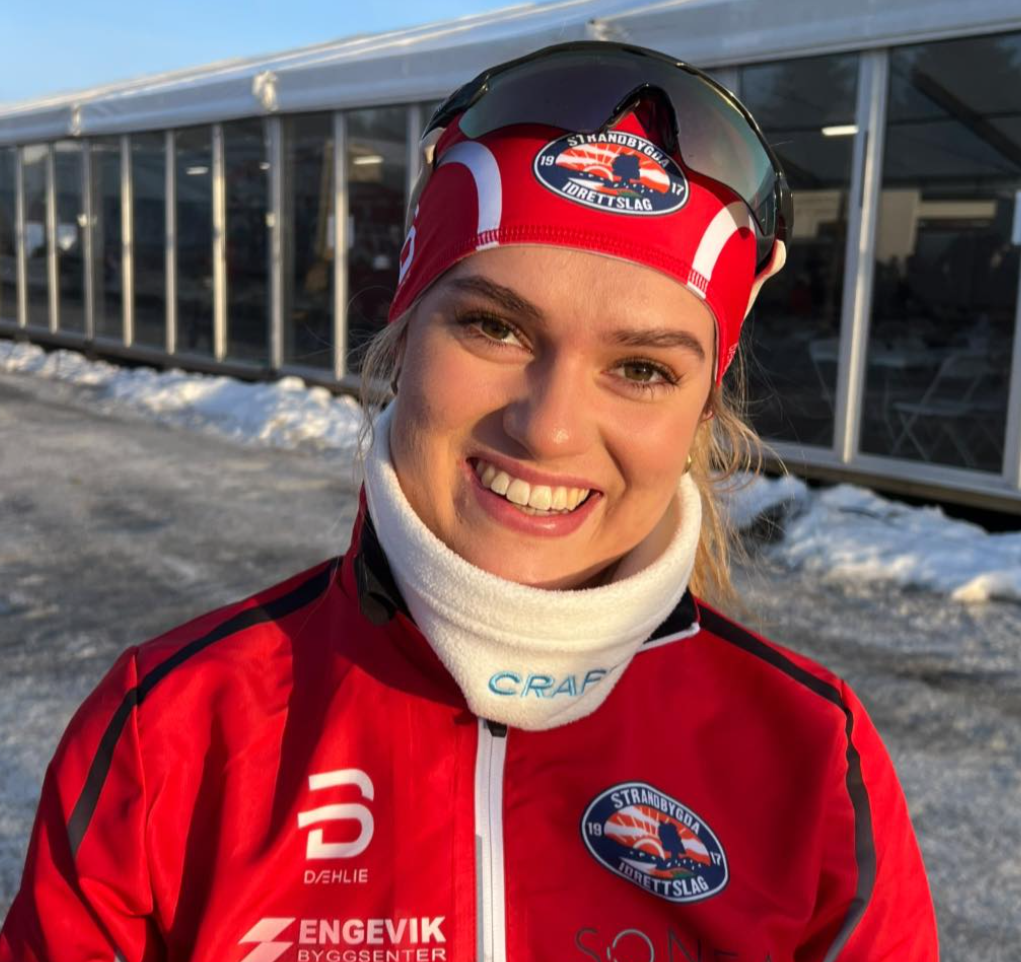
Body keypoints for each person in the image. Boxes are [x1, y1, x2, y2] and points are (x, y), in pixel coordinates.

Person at [0, 41, 938, 961]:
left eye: (641, 368)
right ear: (403, 339)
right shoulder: (170, 733)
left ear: (700, 412)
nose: (550, 429)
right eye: (494, 326)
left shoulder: (814, 763)